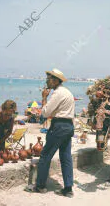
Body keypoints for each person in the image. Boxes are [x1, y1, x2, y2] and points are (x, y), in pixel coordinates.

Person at [25, 69, 75, 197]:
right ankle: (68, 188)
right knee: (66, 157)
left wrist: (43, 98)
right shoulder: (67, 92)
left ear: (55, 80)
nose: (47, 81)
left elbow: (46, 113)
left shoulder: (57, 93)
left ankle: (40, 186)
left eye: (48, 79)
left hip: (58, 126)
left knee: (45, 155)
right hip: (69, 126)